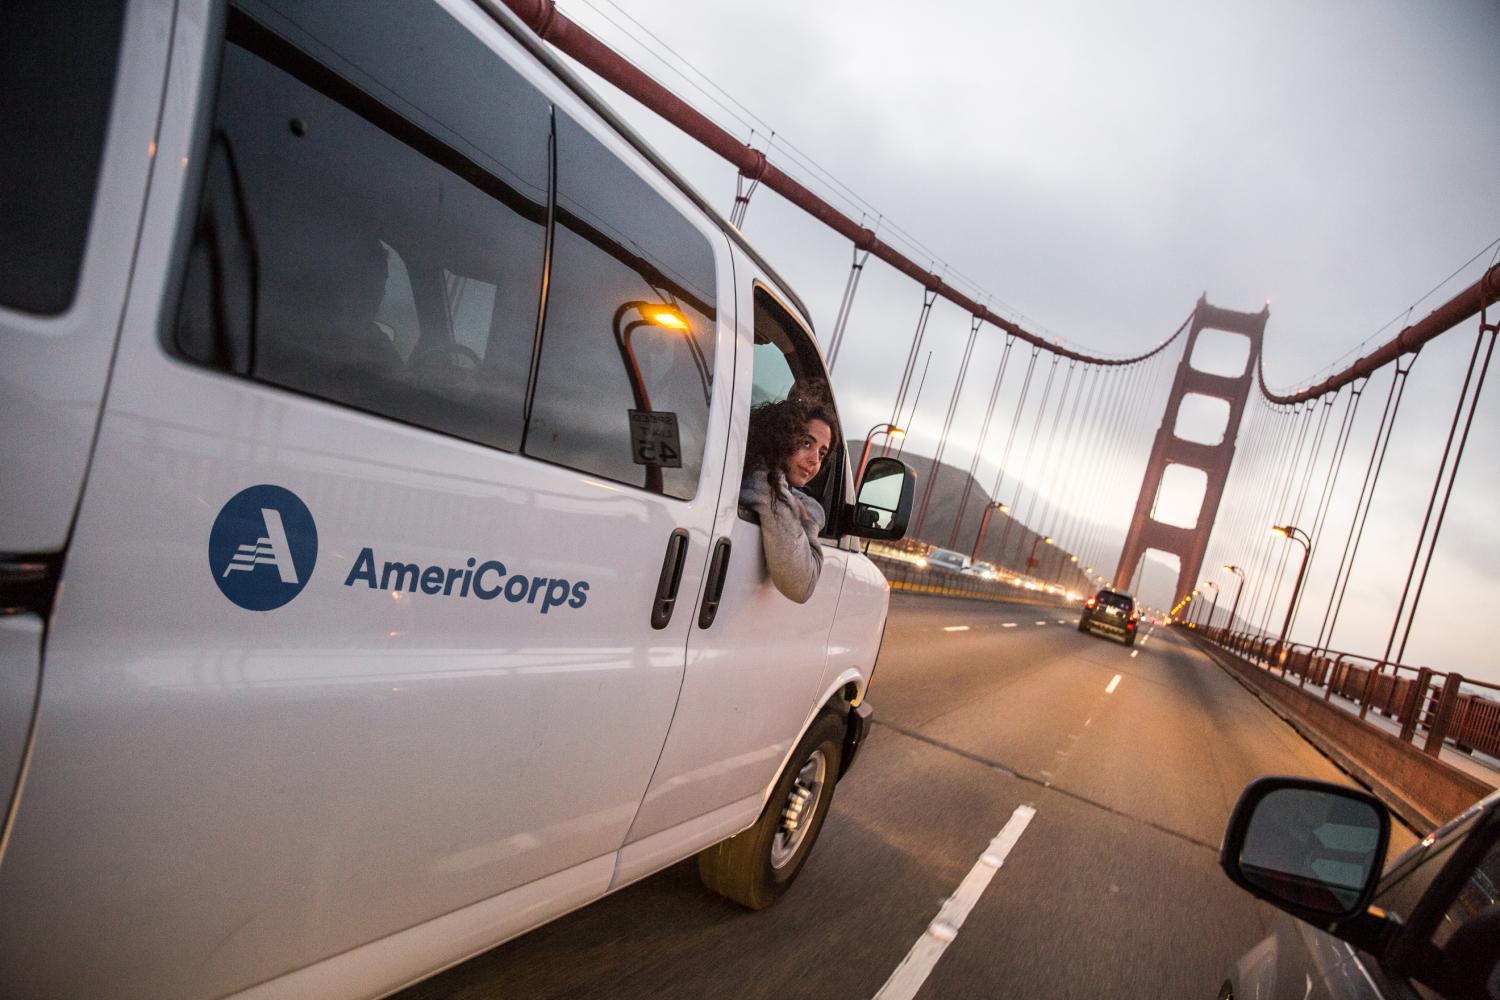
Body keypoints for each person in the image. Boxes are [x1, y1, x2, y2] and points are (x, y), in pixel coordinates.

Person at [740, 385, 838, 603]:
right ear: (781, 436)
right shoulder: (764, 483)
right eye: (806, 443)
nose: (815, 460)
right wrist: (809, 521)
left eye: (822, 453)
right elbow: (802, 585)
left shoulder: (762, 476)